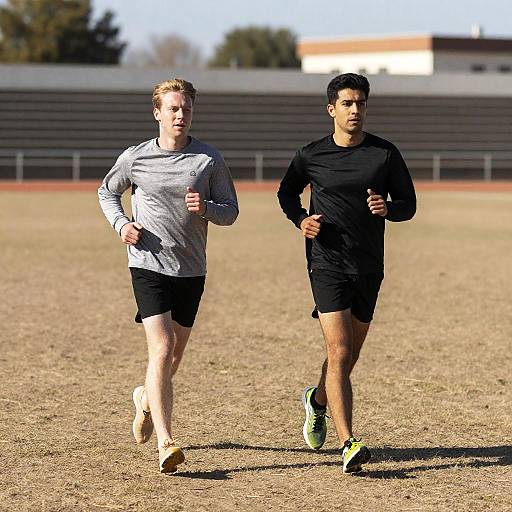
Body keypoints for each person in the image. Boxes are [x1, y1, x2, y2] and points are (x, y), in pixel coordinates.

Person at [277, 73, 416, 474]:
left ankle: (317, 401)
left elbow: (409, 203)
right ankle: (348, 442)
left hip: (369, 265)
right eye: (348, 104)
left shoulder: (384, 155)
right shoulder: (311, 155)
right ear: (331, 110)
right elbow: (287, 192)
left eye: (361, 104)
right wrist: (301, 219)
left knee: (348, 355)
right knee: (338, 351)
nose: (355, 110)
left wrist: (388, 208)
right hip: (326, 263)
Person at [98, 78, 238, 473]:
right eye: (174, 109)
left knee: (173, 356)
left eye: (187, 109)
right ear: (157, 112)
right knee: (160, 349)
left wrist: (207, 207)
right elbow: (107, 192)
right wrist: (122, 225)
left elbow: (231, 211)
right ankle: (166, 443)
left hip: (191, 269)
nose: (181, 115)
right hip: (147, 264)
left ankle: (144, 399)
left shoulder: (208, 161)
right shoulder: (135, 158)